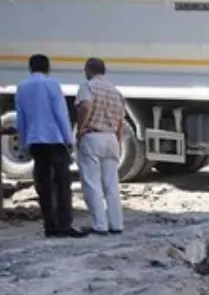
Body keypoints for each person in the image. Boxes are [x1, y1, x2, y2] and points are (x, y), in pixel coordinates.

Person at [15, 53, 82, 238]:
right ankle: (64, 225)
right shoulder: (52, 84)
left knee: (43, 184)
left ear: (30, 68)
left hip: (35, 141)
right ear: (48, 68)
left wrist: (23, 143)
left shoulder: (22, 87)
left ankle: (50, 226)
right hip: (54, 140)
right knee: (61, 183)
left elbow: (21, 118)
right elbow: (60, 113)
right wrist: (69, 139)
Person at [75, 57, 126, 235]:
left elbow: (86, 106)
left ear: (88, 70)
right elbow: (120, 122)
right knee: (111, 184)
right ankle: (116, 224)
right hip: (111, 138)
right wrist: (118, 142)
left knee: (92, 183)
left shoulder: (87, 86)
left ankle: (100, 225)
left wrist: (80, 128)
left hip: (93, 136)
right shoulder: (115, 91)